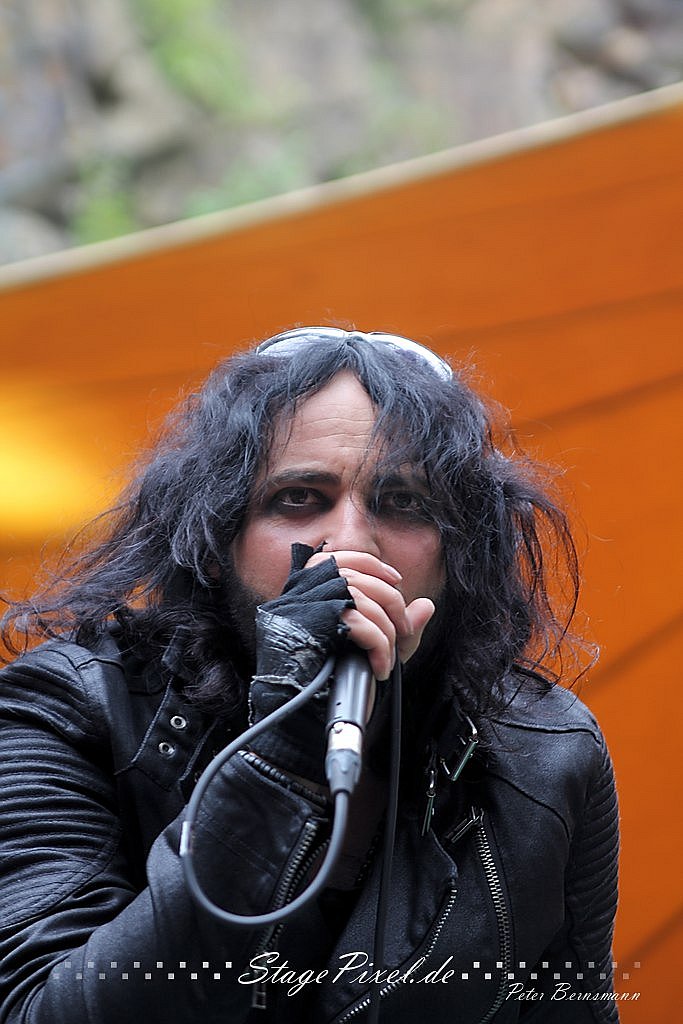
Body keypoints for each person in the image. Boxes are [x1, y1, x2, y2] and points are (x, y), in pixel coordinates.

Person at [0, 327, 619, 1023]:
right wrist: (282, 747)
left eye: (404, 502)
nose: (349, 542)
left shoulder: (547, 753)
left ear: (457, 557)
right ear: (216, 543)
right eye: (298, 497)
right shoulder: (68, 711)